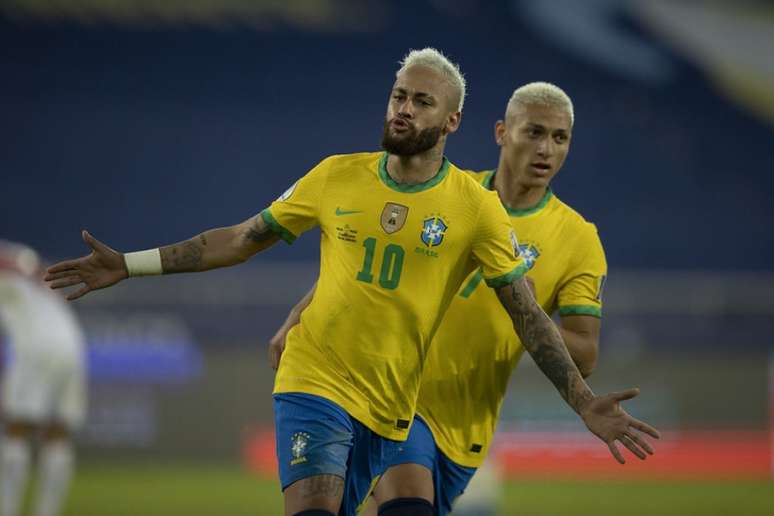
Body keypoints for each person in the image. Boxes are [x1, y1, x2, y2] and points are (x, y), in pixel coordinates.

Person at [45, 49, 658, 516]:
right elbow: (238, 239)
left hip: (400, 405)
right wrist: (131, 263)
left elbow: (528, 315)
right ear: (499, 133)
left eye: (421, 102)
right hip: (321, 382)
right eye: (398, 95)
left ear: (452, 122)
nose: (403, 109)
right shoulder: (337, 176)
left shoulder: (477, 211)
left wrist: (582, 403)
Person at [269, 82, 628, 516]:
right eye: (533, 132)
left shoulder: (578, 239)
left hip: (466, 425)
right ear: (501, 132)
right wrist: (298, 314)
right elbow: (370, 259)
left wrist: (525, 310)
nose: (545, 149)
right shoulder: (454, 195)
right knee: (403, 502)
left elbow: (586, 353)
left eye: (559, 138)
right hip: (397, 393)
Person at [0, 240, 87, 516]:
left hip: (36, 346)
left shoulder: (8, 280)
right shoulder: (36, 277)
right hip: (72, 345)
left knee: (17, 428)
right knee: (58, 433)